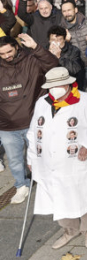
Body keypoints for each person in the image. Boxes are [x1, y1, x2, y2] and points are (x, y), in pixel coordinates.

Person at [26, 67, 87, 249]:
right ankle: (69, 230)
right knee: (58, 196)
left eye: (57, 85)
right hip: (49, 163)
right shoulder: (42, 102)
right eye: (51, 86)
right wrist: (31, 158)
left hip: (76, 162)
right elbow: (33, 133)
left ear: (68, 84)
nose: (54, 90)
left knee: (83, 196)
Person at [0, 34, 59, 203]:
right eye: (2, 54)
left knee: (42, 156)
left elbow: (53, 65)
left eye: (9, 52)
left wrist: (36, 47)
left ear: (16, 47)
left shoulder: (31, 60)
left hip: (33, 121)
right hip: (6, 125)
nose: (6, 56)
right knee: (14, 160)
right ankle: (21, 186)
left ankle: (48, 183)